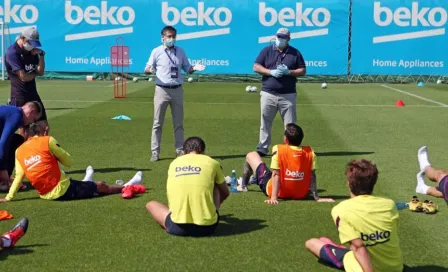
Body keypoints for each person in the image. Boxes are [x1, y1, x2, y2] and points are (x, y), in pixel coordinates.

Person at [0, 122, 146, 202]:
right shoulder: (47, 140)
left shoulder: (19, 151)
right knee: (101, 186)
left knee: (66, 177)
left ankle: (87, 180)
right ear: (45, 132)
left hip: (44, 193)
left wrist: (9, 197)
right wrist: (55, 153)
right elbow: (69, 162)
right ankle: (127, 186)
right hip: (61, 191)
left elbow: (19, 176)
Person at [305, 159, 403, 272]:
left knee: (311, 243)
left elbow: (358, 247)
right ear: (373, 182)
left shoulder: (341, 209)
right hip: (395, 268)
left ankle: (339, 250)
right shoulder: (390, 205)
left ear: (349, 183)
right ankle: (340, 249)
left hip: (362, 267)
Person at [146, 137, 229, 237]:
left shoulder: (174, 163)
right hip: (208, 228)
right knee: (216, 185)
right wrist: (216, 206)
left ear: (185, 152)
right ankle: (211, 213)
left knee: (151, 204)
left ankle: (181, 214)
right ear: (203, 151)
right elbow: (225, 192)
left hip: (178, 227)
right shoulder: (212, 162)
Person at [144, 26, 206, 162]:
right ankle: (155, 152)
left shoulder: (180, 51)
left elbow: (187, 68)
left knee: (178, 123)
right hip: (162, 89)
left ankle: (180, 150)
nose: (172, 39)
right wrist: (151, 70)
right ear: (163, 38)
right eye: (169, 36)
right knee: (157, 123)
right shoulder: (156, 52)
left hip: (177, 89)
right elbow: (147, 68)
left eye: (173, 36)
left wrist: (194, 68)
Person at [242, 123, 334, 204]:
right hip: (300, 194)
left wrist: (274, 198)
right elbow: (312, 176)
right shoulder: (310, 152)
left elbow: (275, 174)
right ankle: (250, 181)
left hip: (276, 190)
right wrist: (317, 198)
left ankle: (243, 185)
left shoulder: (278, 149)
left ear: (285, 139)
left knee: (251, 155)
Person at [253, 27, 306, 157]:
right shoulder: (266, 50)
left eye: (282, 37)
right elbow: (256, 66)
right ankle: (263, 148)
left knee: (290, 124)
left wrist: (290, 72)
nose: (279, 39)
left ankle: (291, 148)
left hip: (288, 95)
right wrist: (270, 72)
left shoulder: (295, 53)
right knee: (265, 122)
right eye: (278, 37)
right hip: (268, 93)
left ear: (288, 39)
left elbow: (302, 70)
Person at [5, 27, 48, 135]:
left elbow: (40, 72)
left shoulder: (31, 52)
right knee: (24, 131)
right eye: (31, 43)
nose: (33, 46)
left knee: (44, 126)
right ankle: (23, 151)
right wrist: (35, 74)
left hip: (33, 94)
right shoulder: (12, 52)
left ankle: (39, 151)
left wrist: (41, 56)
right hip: (19, 96)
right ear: (23, 38)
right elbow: (23, 77)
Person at [0, 102, 42, 191]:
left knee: (16, 140)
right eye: (33, 119)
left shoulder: (15, 112)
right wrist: (3, 169)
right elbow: (3, 143)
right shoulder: (16, 116)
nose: (31, 122)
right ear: (31, 111)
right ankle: (3, 179)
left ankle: (4, 178)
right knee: (11, 142)